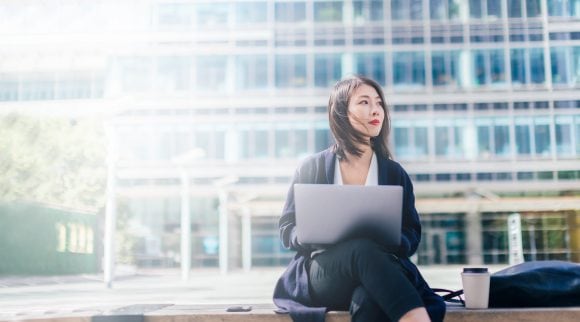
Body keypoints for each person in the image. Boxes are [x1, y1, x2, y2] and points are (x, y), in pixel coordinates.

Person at [273, 76, 445, 322]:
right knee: (361, 249)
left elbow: (412, 233)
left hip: (379, 269)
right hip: (326, 273)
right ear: (342, 112)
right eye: (364, 102)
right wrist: (310, 233)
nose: (375, 110)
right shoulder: (312, 167)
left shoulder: (395, 173)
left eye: (378, 103)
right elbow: (287, 228)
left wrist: (394, 239)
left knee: (368, 299)